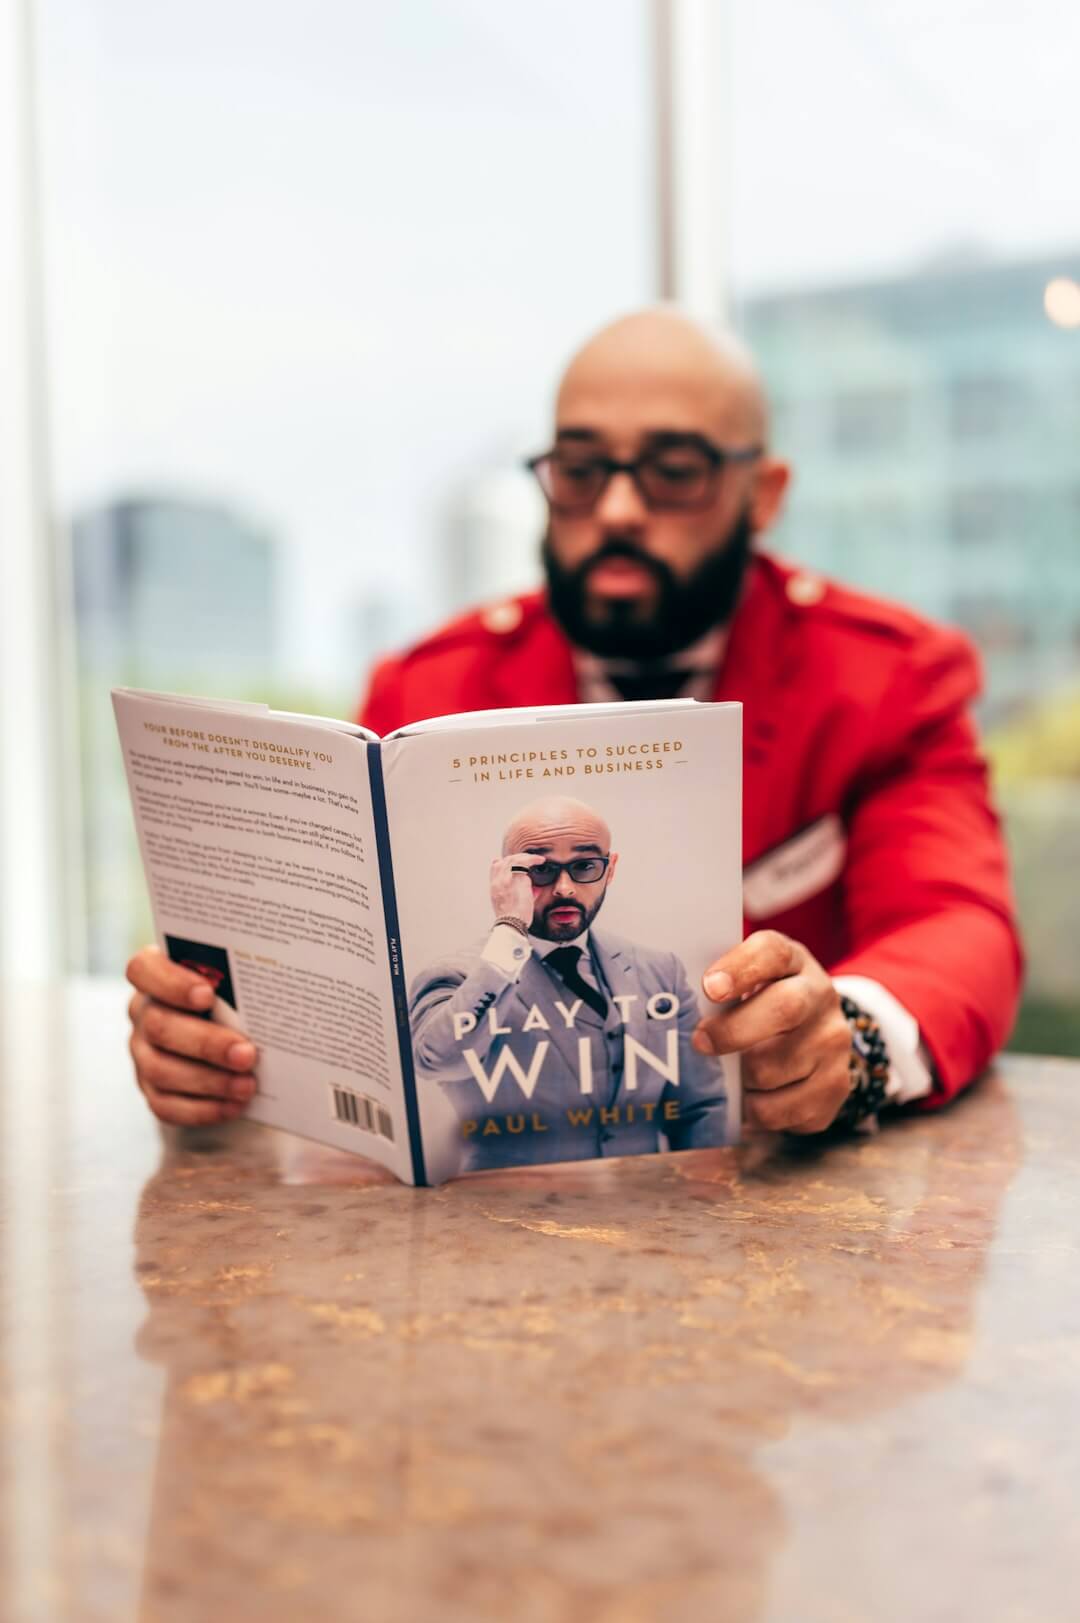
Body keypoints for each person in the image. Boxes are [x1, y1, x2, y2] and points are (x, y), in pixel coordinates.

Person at [126, 308, 1022, 1141]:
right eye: (582, 470)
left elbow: (959, 925)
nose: (619, 510)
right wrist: (216, 1030)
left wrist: (851, 1035)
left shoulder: (883, 679)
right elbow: (342, 956)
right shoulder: (430, 688)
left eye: (674, 471)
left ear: (764, 493)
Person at [409, 796, 728, 1172]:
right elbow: (437, 1062)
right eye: (540, 869)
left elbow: (700, 1107)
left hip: (646, 1209)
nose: (564, 888)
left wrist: (698, 1198)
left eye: (585, 866)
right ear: (505, 877)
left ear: (610, 870)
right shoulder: (456, 976)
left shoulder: (660, 969)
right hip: (507, 1215)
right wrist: (510, 928)